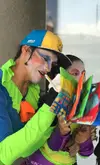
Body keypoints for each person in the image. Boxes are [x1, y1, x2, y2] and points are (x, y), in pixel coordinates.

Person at [0, 29, 70, 164]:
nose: (48, 68)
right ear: (26, 50)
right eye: (45, 58)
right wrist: (49, 106)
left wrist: (52, 119)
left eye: (53, 64)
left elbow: (26, 150)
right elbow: (4, 153)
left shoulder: (33, 92)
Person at [24, 54, 95, 165]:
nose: (81, 79)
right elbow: (52, 146)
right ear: (60, 76)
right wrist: (61, 132)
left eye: (84, 74)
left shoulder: (85, 106)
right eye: (75, 74)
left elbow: (86, 153)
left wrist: (84, 140)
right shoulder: (48, 103)